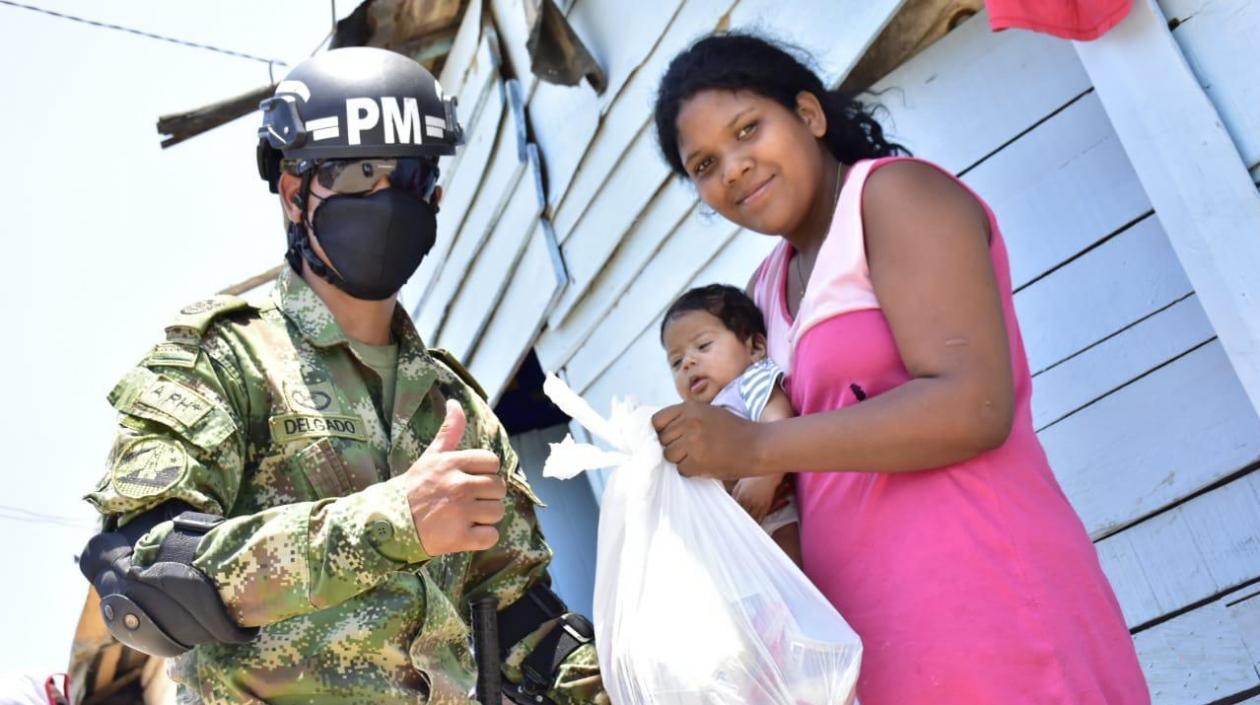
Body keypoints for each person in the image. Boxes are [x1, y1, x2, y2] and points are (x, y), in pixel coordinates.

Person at [75, 47, 606, 705]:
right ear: (296, 193)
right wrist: (393, 522)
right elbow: (145, 576)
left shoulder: (455, 409)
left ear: (434, 197)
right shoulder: (218, 360)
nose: (384, 197)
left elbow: (521, 625)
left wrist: (646, 674)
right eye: (357, 172)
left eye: (406, 174)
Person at [649, 32, 1149, 704]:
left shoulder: (892, 199)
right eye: (705, 163)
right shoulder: (762, 293)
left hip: (991, 607)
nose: (733, 168)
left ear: (809, 115)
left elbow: (972, 405)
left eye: (748, 130)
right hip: (882, 647)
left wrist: (760, 444)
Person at [660, 284, 802, 566]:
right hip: (736, 532)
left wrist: (767, 476)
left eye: (703, 346)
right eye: (676, 362)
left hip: (778, 514)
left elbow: (779, 420)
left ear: (756, 348)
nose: (688, 362)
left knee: (794, 577)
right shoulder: (697, 416)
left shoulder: (749, 382)